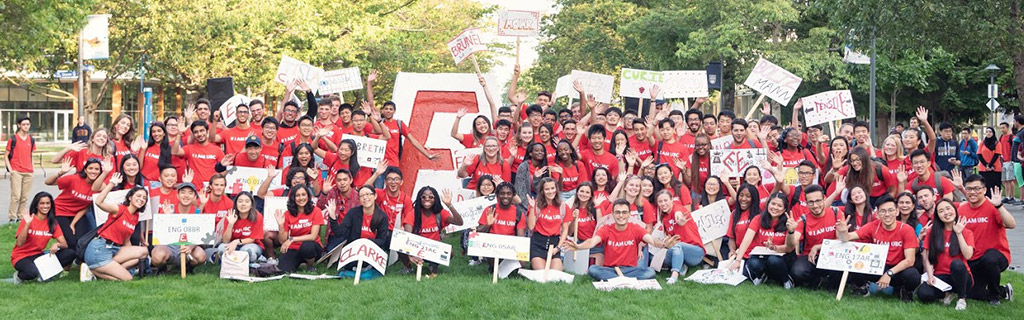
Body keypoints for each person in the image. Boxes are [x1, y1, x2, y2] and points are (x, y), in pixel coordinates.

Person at [562, 199, 678, 281]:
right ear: (612, 214)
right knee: (593, 269)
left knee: (650, 272)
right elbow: (592, 241)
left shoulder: (636, 228)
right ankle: (624, 280)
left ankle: (619, 280)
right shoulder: (606, 229)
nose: (621, 216)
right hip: (611, 269)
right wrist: (579, 247)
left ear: (629, 215)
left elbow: (652, 240)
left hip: (630, 270)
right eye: (617, 212)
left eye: (624, 212)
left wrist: (663, 244)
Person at [837, 195, 920, 300]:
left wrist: (889, 274)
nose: (887, 214)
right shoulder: (873, 226)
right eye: (883, 211)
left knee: (912, 275)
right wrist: (843, 231)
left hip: (898, 268)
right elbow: (848, 237)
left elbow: (910, 260)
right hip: (878, 266)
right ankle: (861, 288)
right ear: (878, 214)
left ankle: (905, 291)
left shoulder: (906, 230)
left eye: (891, 210)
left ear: (897, 212)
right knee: (856, 262)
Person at [958, 174, 1015, 304]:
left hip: (997, 256)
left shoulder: (992, 207)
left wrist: (999, 205)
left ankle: (995, 297)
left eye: (976, 188)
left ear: (984, 190)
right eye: (969, 189)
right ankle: (1004, 291)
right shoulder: (962, 209)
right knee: (973, 294)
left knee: (989, 259)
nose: (972, 192)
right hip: (974, 258)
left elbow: (1011, 224)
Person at [83, 181, 149, 281]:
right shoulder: (119, 209)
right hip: (100, 248)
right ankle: (94, 271)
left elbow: (126, 241)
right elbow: (99, 202)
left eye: (144, 198)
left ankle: (101, 270)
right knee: (128, 278)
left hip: (113, 249)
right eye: (138, 196)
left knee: (143, 252)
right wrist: (112, 184)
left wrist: (132, 254)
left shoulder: (135, 217)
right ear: (130, 197)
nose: (141, 199)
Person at [729, 192, 796, 287]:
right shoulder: (758, 219)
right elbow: (746, 240)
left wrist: (790, 231)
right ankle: (762, 275)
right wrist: (738, 260)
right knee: (753, 262)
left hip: (782, 256)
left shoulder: (789, 222)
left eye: (779, 206)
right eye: (773, 204)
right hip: (762, 254)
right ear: (767, 204)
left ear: (785, 209)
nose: (775, 208)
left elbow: (789, 248)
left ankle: (786, 280)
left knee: (774, 260)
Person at [918, 199, 975, 310]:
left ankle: (961, 298)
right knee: (924, 294)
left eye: (948, 208)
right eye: (941, 211)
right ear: (938, 215)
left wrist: (959, 234)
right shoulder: (932, 232)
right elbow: (929, 258)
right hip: (941, 276)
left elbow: (968, 255)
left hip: (961, 276)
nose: (946, 213)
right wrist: (930, 275)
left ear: (954, 209)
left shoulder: (966, 232)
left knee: (957, 264)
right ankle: (947, 293)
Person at [787, 185, 844, 289]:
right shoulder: (803, 219)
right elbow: (791, 244)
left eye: (818, 201)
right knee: (797, 271)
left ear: (824, 199)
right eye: (811, 202)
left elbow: (841, 240)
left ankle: (828, 282)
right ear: (807, 203)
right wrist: (790, 232)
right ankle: (817, 280)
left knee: (837, 273)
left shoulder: (836, 213)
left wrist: (818, 247)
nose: (815, 205)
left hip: (832, 254)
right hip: (811, 257)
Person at [10, 192, 74, 282]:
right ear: (36, 205)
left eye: (48, 203)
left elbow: (65, 244)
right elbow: (19, 243)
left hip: (38, 255)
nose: (45, 206)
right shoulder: (29, 219)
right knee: (32, 273)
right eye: (42, 203)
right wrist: (27, 224)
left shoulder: (52, 223)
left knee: (70, 253)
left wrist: (57, 245)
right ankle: (19, 276)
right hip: (21, 256)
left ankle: (46, 274)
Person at [401, 187, 464, 277]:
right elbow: (407, 236)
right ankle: (408, 267)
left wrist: (449, 205)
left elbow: (459, 222)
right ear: (419, 198)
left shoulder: (440, 213)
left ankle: (433, 265)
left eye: (431, 197)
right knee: (399, 247)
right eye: (424, 197)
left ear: (435, 199)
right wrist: (411, 254)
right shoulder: (413, 213)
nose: (427, 199)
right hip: (417, 247)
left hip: (434, 248)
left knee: (449, 252)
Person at [45, 158, 103, 246]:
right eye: (90, 168)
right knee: (71, 242)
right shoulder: (74, 179)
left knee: (81, 240)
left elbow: (85, 207)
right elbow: (48, 182)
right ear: (85, 170)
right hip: (60, 211)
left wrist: (73, 224)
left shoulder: (99, 187)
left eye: (96, 169)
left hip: (76, 214)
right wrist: (61, 172)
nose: (93, 171)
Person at [653, 190, 705, 284]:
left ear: (672, 200)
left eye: (666, 200)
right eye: (660, 201)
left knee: (677, 245)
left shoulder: (678, 208)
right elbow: (671, 240)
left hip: (695, 252)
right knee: (667, 252)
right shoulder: (665, 219)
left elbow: (678, 214)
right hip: (679, 251)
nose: (663, 204)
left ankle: (674, 276)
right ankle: (681, 266)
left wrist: (680, 219)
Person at [274, 186, 324, 272]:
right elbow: (282, 241)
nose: (301, 198)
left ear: (308, 196)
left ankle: (310, 265)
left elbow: (313, 236)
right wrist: (281, 226)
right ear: (293, 198)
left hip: (312, 247)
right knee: (283, 269)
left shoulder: (316, 211)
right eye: (297, 195)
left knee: (307, 246)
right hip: (294, 248)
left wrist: (292, 239)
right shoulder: (287, 214)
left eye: (303, 195)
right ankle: (300, 263)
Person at [527, 177, 571, 271]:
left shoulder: (563, 206)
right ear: (542, 191)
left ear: (556, 189)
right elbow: (531, 226)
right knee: (541, 273)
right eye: (547, 189)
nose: (550, 191)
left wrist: (558, 248)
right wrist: (531, 208)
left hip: (554, 243)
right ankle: (534, 262)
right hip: (538, 242)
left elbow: (565, 230)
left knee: (555, 274)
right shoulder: (536, 205)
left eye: (552, 188)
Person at [215, 192, 264, 263]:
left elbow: (253, 239)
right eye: (240, 201)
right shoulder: (230, 215)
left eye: (247, 202)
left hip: (252, 245)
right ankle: (232, 266)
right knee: (221, 248)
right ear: (236, 204)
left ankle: (247, 265)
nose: (243, 204)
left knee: (246, 251)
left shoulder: (257, 216)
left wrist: (237, 241)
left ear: (251, 205)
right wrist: (230, 224)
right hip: (232, 245)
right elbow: (225, 241)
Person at [6, 116, 36, 222]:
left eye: (28, 124)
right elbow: (6, 155)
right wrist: (11, 170)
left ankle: (20, 217)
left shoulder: (31, 140)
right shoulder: (13, 139)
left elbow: (31, 154)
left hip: (28, 172)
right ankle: (12, 217)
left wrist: (32, 168)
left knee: (24, 197)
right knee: (16, 196)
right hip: (16, 171)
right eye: (23, 124)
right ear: (19, 125)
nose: (26, 126)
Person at [977, 127, 1002, 197]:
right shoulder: (982, 143)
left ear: (993, 133)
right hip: (983, 168)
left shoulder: (997, 143)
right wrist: (986, 165)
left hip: (995, 168)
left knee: (995, 187)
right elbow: (979, 154)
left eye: (990, 132)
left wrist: (990, 165)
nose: (988, 133)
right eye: (987, 132)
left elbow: (997, 154)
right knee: (984, 186)